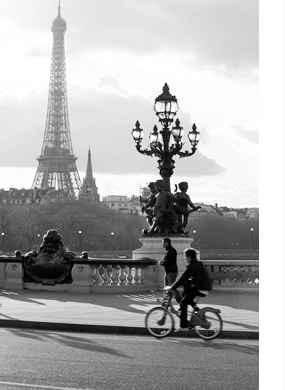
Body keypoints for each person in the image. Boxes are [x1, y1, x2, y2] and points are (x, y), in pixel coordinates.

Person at [165, 248, 208, 332]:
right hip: (201, 288)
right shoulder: (195, 264)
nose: (184, 258)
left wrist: (172, 286)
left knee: (184, 303)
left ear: (189, 257)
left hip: (199, 288)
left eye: (185, 256)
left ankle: (183, 326)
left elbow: (183, 277)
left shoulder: (192, 265)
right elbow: (186, 278)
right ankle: (199, 316)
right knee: (187, 298)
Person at [160, 237, 181, 304]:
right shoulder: (169, 250)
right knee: (167, 287)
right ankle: (166, 302)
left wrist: (162, 262)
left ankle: (180, 301)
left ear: (167, 243)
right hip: (169, 271)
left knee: (171, 288)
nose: (162, 244)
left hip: (171, 272)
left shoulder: (170, 251)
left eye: (163, 242)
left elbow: (170, 262)